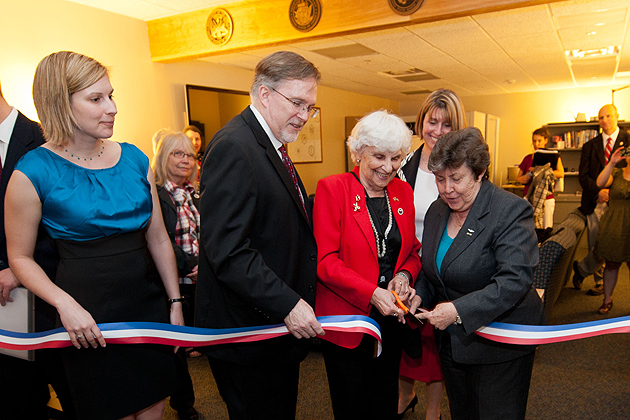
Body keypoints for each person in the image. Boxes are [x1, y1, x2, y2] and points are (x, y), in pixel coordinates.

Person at [5, 51, 184, 420]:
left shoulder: (135, 159)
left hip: (146, 304)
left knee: (154, 403)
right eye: (96, 98)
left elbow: (159, 238)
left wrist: (175, 302)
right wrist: (64, 305)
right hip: (84, 313)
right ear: (60, 103)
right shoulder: (31, 172)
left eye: (111, 95)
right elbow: (20, 257)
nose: (112, 107)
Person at [195, 51, 324, 420]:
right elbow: (228, 252)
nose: (304, 115)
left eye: (310, 106)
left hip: (272, 330)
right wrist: (288, 303)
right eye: (297, 102)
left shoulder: (270, 145)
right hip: (247, 334)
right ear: (264, 94)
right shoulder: (236, 147)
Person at [409, 127, 544, 420]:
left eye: (456, 179)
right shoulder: (437, 211)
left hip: (500, 342)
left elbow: (514, 280)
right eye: (440, 179)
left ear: (480, 172)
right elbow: (434, 269)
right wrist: (417, 294)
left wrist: (458, 310)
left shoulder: (510, 210)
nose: (447, 189)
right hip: (453, 342)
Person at [314, 110, 422, 420]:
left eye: (397, 158)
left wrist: (403, 274)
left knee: (384, 401)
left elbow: (412, 252)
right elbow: (325, 262)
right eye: (379, 156)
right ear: (358, 151)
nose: (388, 167)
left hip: (391, 321)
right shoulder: (333, 189)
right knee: (352, 406)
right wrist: (372, 292)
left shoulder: (403, 192)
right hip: (348, 322)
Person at [0, 79, 75, 419]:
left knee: (78, 401)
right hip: (4, 318)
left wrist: (19, 268)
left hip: (52, 307)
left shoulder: (48, 140)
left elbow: (70, 226)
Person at [397, 88, 466, 420]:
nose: (437, 131)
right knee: (407, 340)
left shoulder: (462, 168)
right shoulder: (404, 164)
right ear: (421, 122)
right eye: (432, 121)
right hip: (408, 266)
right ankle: (406, 394)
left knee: (437, 348)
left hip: (443, 268)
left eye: (447, 124)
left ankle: (434, 411)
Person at [152, 129, 200, 420]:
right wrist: (189, 264)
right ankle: (184, 406)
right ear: (163, 157)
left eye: (190, 155)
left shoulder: (193, 194)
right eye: (178, 154)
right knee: (175, 352)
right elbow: (157, 240)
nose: (186, 160)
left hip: (196, 282)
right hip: (171, 286)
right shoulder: (156, 195)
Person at [573, 104, 629, 295]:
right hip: (596, 202)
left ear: (617, 116)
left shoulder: (628, 141)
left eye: (608, 116)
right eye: (600, 117)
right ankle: (599, 282)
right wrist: (599, 192)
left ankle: (581, 270)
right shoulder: (590, 146)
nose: (604, 120)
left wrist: (612, 191)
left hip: (622, 204)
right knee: (597, 244)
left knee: (618, 246)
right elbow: (583, 176)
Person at [592, 146, 630, 314]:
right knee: (612, 263)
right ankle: (607, 299)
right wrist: (611, 163)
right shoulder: (615, 173)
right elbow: (599, 182)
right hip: (615, 223)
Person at [516, 127, 564, 231]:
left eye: (539, 141)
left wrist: (541, 171)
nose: (536, 144)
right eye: (534, 141)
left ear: (546, 141)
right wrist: (523, 179)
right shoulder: (528, 158)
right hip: (530, 197)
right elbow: (518, 177)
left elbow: (561, 173)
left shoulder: (553, 156)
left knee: (546, 228)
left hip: (546, 198)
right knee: (529, 229)